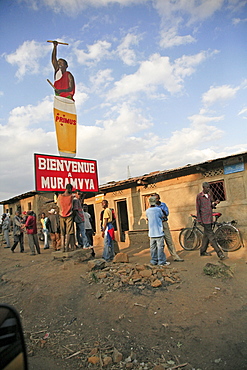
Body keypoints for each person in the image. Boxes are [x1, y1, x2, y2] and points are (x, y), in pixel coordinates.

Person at [196, 182, 226, 260]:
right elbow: (198, 208)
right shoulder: (199, 196)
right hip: (204, 219)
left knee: (206, 235)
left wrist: (215, 203)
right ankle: (220, 253)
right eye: (207, 188)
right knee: (211, 236)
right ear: (203, 187)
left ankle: (202, 251)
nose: (209, 189)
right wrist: (199, 219)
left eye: (209, 187)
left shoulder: (209, 196)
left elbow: (210, 206)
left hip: (210, 218)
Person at [153, 193, 184, 262]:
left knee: (169, 240)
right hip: (157, 225)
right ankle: (160, 259)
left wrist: (160, 211)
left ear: (159, 198)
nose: (155, 200)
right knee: (159, 243)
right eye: (154, 199)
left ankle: (175, 256)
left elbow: (166, 214)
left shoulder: (163, 205)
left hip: (164, 223)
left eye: (156, 198)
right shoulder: (152, 207)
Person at [146, 196, 170, 266]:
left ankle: (153, 261)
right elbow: (162, 216)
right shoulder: (158, 210)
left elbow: (147, 218)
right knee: (160, 248)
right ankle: (161, 261)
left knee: (153, 248)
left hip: (151, 233)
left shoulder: (147, 211)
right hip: (159, 232)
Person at [57, 184, 75, 252]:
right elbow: (72, 206)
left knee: (62, 232)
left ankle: (62, 248)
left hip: (61, 215)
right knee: (69, 232)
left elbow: (58, 205)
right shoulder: (71, 197)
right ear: (70, 189)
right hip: (69, 215)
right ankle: (67, 247)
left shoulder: (60, 196)